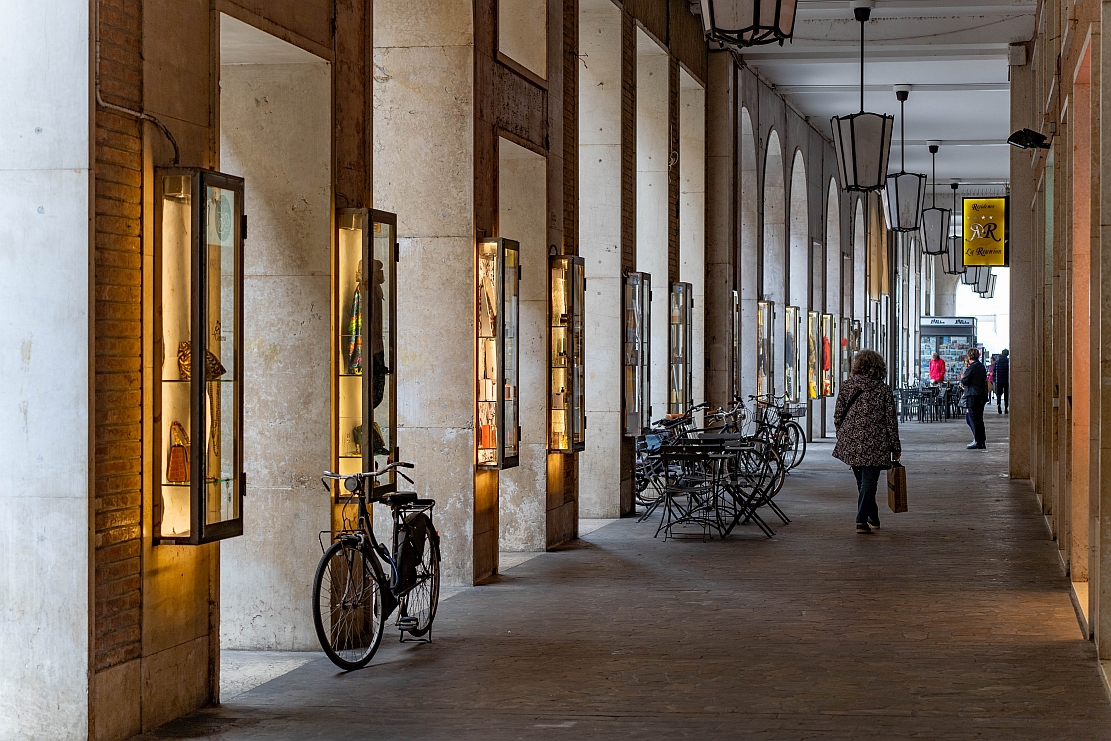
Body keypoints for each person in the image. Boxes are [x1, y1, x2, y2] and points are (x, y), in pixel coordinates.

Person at [833, 349, 901, 535]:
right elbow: (890, 421)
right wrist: (895, 446)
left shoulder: (847, 386)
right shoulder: (883, 390)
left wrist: (843, 435)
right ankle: (861, 520)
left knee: (863, 483)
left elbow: (838, 415)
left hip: (852, 441)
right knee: (868, 483)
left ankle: (873, 515)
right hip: (875, 443)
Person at [960, 347, 989, 449]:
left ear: (969, 356)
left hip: (973, 395)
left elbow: (966, 381)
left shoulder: (972, 368)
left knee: (974, 418)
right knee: (979, 419)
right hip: (981, 395)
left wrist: (962, 378)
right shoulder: (981, 366)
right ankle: (981, 441)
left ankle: (977, 441)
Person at [995, 349, 1010, 414]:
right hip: (1006, 380)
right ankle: (1006, 408)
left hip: (998, 380)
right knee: (1006, 394)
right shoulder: (1008, 361)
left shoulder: (997, 361)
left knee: (999, 394)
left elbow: (994, 370)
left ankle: (999, 405)